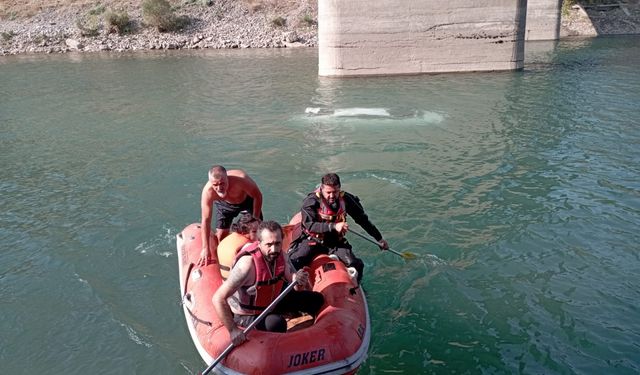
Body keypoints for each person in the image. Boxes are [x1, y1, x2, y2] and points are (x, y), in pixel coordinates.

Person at [212, 221, 324, 346]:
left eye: (277, 243)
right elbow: (218, 298)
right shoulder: (247, 265)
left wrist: (298, 279)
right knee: (276, 324)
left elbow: (296, 286)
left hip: (272, 301)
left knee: (316, 300)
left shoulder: (281, 255)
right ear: (259, 243)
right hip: (249, 313)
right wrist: (233, 330)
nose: (274, 249)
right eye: (269, 245)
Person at [289, 173, 389, 283]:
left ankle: (354, 290)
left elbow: (362, 220)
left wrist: (379, 238)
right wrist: (334, 226)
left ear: (339, 189)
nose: (332, 196)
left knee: (357, 264)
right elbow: (310, 225)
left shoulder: (346, 199)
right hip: (313, 240)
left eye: (335, 192)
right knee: (293, 262)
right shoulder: (311, 201)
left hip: (335, 242)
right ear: (321, 189)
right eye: (328, 192)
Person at [199, 165, 263, 266]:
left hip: (246, 202)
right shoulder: (208, 192)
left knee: (254, 232)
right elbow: (206, 220)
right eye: (215, 184)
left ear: (227, 178)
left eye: (222, 183)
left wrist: (255, 219)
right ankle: (224, 261)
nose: (219, 188)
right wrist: (205, 248)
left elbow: (258, 196)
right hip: (224, 204)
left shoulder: (241, 180)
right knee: (220, 236)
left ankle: (258, 257)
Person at [217, 212, 260, 280]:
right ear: (243, 232)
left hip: (225, 282)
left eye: (259, 230)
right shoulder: (247, 246)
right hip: (237, 285)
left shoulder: (228, 239)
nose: (259, 234)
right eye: (254, 232)